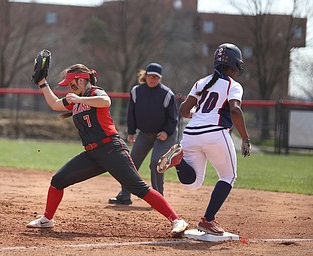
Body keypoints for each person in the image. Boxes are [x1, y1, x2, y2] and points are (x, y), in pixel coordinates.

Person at [26, 63, 188, 236]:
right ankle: (47, 219)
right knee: (58, 180)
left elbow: (106, 101)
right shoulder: (76, 98)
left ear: (82, 80)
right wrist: (43, 83)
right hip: (92, 154)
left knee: (139, 188)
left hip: (112, 150)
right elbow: (55, 104)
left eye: (72, 84)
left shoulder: (94, 93)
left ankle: (176, 220)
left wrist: (79, 99)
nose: (70, 88)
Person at [156, 43, 251, 235]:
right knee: (228, 176)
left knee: (192, 183)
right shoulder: (234, 85)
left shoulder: (201, 82)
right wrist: (245, 138)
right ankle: (208, 220)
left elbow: (183, 110)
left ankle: (179, 161)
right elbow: (235, 110)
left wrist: (198, 114)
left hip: (191, 133)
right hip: (215, 133)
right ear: (234, 64)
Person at [109, 63, 178, 205]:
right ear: (145, 76)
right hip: (145, 133)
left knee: (156, 163)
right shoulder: (136, 91)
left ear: (160, 78)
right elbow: (131, 114)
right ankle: (124, 195)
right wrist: (131, 132)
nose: (152, 79)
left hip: (164, 134)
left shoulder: (166, 94)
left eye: (156, 77)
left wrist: (166, 131)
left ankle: (158, 198)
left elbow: (173, 118)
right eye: (150, 76)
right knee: (130, 163)